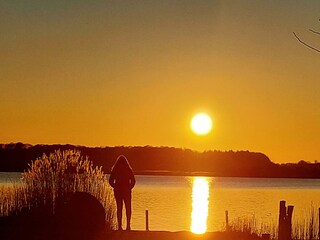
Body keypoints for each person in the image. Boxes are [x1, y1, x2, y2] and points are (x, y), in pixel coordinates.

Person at [109, 155, 136, 231]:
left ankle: (119, 226)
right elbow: (133, 181)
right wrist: (129, 187)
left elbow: (110, 181)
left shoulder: (115, 169)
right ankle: (128, 226)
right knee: (128, 208)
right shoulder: (128, 169)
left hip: (118, 191)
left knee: (119, 208)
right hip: (126, 191)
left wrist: (115, 186)